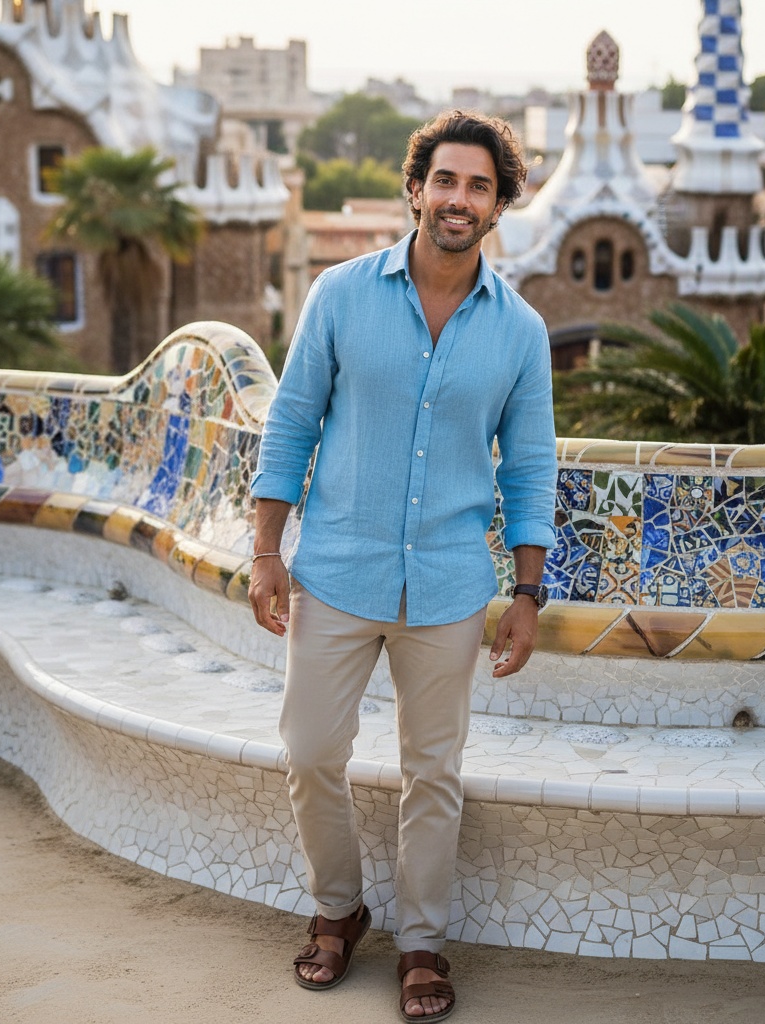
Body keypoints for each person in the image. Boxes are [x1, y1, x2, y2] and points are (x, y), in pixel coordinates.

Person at [248, 110, 557, 1022]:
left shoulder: (522, 332)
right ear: (415, 189)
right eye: (446, 181)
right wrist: (266, 551)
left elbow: (534, 468)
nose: (459, 199)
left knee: (434, 770)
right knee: (309, 752)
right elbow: (292, 422)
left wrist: (529, 592)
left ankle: (422, 942)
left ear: (498, 205)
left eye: (479, 186)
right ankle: (338, 908)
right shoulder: (340, 296)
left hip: (453, 585)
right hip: (336, 570)